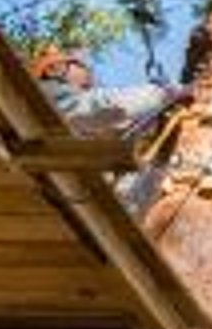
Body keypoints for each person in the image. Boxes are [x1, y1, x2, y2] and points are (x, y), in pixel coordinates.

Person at [27, 44, 179, 214]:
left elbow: (130, 204)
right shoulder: (54, 103)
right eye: (81, 67)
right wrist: (162, 92)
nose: (89, 77)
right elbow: (111, 106)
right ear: (55, 69)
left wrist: (161, 159)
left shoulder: (77, 126)